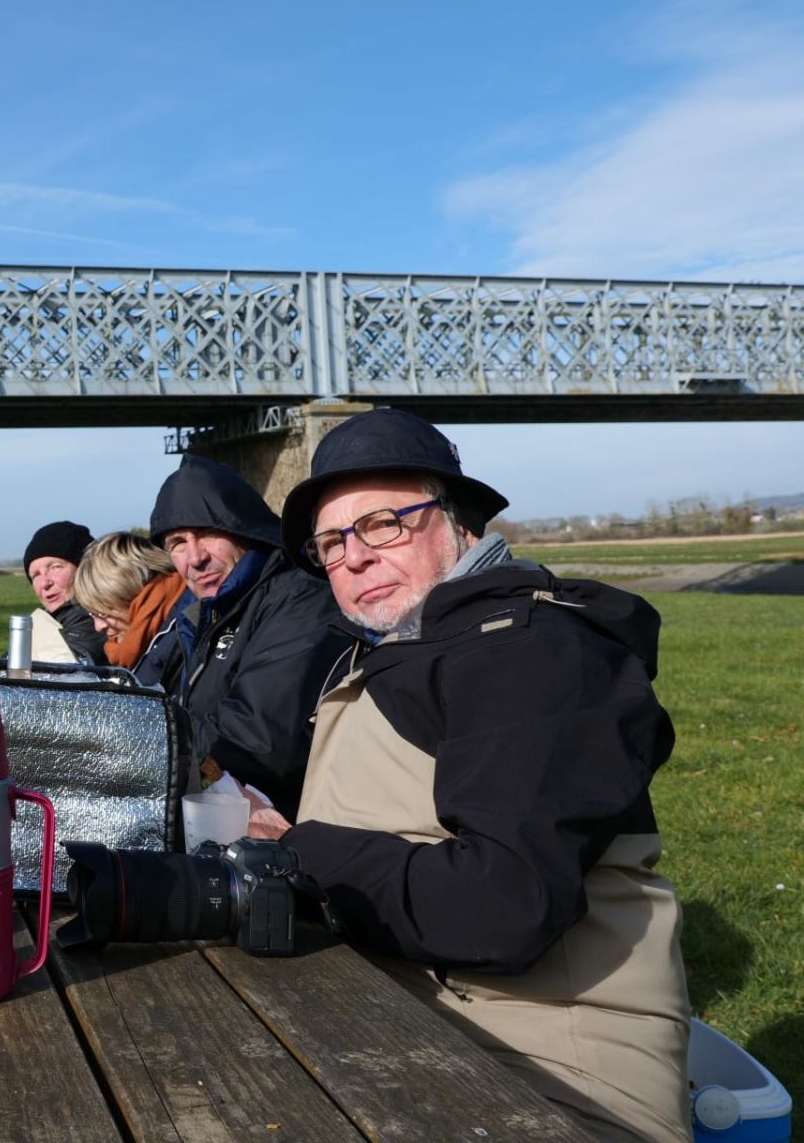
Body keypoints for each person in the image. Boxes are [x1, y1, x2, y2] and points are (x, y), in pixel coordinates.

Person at [272, 408, 690, 1143]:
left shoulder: (528, 653)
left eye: (382, 524)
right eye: (331, 543)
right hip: (409, 1022)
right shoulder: (420, 645)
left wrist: (297, 851)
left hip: (547, 1075)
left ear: (459, 522)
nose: (354, 557)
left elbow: (505, 904)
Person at [147, 453, 346, 820]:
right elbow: (143, 693)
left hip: (281, 826)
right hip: (214, 814)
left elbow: (257, 741)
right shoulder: (197, 611)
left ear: (245, 529)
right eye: (177, 542)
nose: (195, 558)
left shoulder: (302, 597)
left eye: (208, 533)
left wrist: (143, 745)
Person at [70, 531, 188, 691]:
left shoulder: (185, 635)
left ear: (134, 593)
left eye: (103, 613)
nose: (98, 626)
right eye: (92, 614)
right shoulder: (142, 642)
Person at [22, 520, 108, 663]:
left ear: (85, 570)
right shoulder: (49, 620)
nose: (44, 583)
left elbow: (66, 668)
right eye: (36, 575)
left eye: (55, 567)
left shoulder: (93, 618)